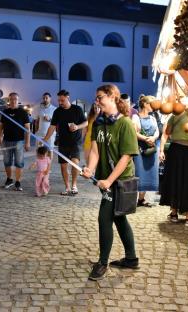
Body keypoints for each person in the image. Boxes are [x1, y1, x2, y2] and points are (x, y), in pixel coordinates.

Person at [82, 84, 139, 281]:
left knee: (104, 217)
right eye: (96, 98)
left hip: (120, 180)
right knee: (119, 217)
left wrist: (109, 180)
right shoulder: (99, 123)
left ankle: (102, 263)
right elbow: (96, 151)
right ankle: (131, 258)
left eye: (100, 97)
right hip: (106, 179)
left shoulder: (125, 124)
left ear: (113, 97)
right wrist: (90, 168)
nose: (97, 101)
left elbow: (126, 157)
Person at [43, 90, 87, 196]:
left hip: (75, 142)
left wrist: (77, 127)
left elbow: (86, 122)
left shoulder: (77, 109)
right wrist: (45, 139)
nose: (60, 102)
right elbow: (52, 126)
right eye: (59, 100)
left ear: (68, 98)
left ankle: (74, 185)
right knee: (63, 166)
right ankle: (67, 186)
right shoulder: (57, 111)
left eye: (62, 100)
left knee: (75, 164)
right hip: (62, 142)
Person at [0, 92, 30, 191]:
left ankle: (18, 182)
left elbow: (27, 129)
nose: (13, 101)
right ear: (9, 101)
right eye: (11, 99)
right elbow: (1, 127)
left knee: (19, 162)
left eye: (15, 99)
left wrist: (27, 142)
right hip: (6, 141)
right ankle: (9, 179)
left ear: (18, 100)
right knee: (7, 161)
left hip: (19, 141)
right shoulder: (5, 112)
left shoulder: (23, 113)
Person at [133, 95, 160, 207]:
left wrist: (153, 138)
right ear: (145, 104)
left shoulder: (153, 118)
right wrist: (145, 138)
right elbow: (134, 132)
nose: (153, 106)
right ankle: (137, 198)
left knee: (150, 174)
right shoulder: (135, 117)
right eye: (151, 104)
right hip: (141, 149)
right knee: (140, 173)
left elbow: (157, 131)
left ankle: (141, 199)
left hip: (152, 149)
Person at [33, 92, 56, 158]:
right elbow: (36, 121)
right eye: (44, 98)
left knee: (50, 150)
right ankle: (40, 166)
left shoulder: (54, 109)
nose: (45, 99)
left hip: (50, 134)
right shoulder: (39, 108)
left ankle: (48, 168)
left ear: (50, 99)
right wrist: (36, 131)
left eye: (46, 98)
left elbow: (57, 122)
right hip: (40, 134)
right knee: (39, 151)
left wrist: (49, 119)